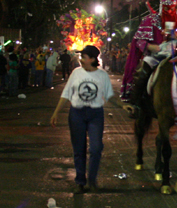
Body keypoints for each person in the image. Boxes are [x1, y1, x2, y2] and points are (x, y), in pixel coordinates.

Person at [50, 45, 134, 194]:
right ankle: (80, 181)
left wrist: (123, 106)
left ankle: (92, 180)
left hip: (95, 114)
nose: (81, 60)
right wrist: (56, 112)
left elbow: (110, 95)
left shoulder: (102, 75)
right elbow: (66, 93)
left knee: (95, 148)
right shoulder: (76, 73)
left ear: (93, 59)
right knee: (79, 149)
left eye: (83, 57)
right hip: (77, 114)